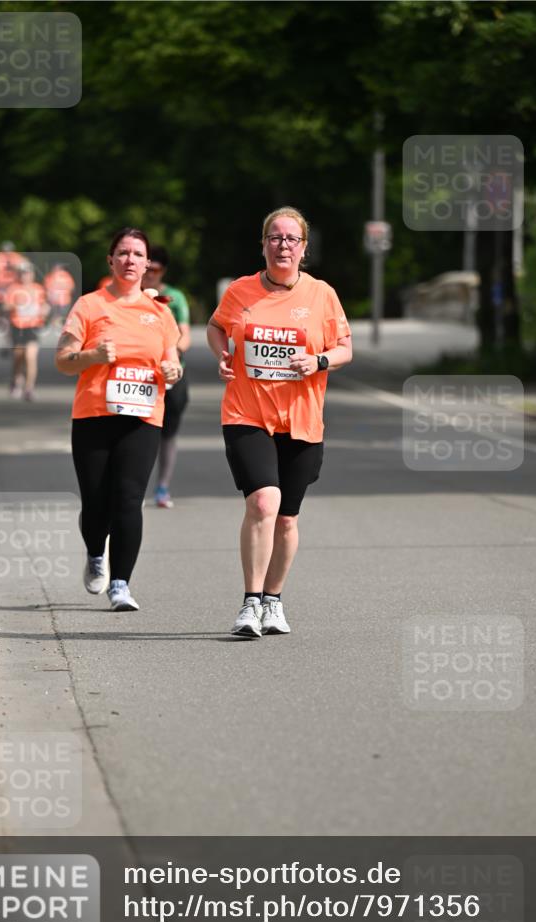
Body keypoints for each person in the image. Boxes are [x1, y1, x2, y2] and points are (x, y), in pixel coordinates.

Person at [206, 206, 352, 637]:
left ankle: (274, 601)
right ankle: (250, 603)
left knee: (286, 517)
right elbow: (216, 327)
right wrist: (222, 354)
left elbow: (345, 348)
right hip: (246, 412)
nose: (282, 245)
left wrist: (318, 360)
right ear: (264, 244)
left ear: (304, 248)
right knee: (263, 502)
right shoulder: (241, 291)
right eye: (275, 237)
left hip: (302, 419)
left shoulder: (322, 294)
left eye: (291, 239)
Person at [55, 227, 183, 611]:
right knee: (96, 502)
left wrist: (172, 370)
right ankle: (96, 553)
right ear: (111, 260)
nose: (130, 260)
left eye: (137, 254)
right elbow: (62, 360)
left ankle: (121, 584)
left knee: (129, 500)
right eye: (123, 253)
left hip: (143, 417)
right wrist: (92, 356)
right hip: (94, 414)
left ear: (148, 265)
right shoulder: (89, 306)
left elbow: (171, 358)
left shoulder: (160, 311)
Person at [141, 246, 191, 508]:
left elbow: (185, 335)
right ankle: (133, 488)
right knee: (139, 433)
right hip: (138, 376)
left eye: (155, 270)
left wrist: (170, 354)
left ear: (163, 271)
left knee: (168, 434)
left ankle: (162, 487)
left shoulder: (175, 297)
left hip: (171, 375)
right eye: (146, 268)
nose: (149, 274)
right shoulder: (131, 296)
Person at [4, 260, 49, 400]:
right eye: (23, 273)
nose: (25, 276)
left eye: (27, 273)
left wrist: (44, 310)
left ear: (32, 274)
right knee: (18, 356)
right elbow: (5, 306)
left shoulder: (38, 289)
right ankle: (16, 381)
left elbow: (45, 306)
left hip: (33, 326)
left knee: (30, 356)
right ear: (19, 275)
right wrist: (15, 306)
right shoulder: (13, 289)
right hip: (17, 326)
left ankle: (29, 388)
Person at [44, 263, 76, 331]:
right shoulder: (66, 276)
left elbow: (47, 290)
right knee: (58, 317)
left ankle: (56, 330)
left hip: (60, 301)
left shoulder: (52, 276)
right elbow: (72, 288)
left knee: (57, 317)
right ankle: (57, 330)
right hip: (61, 301)